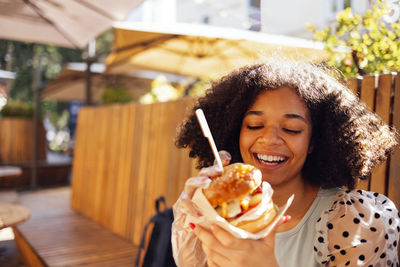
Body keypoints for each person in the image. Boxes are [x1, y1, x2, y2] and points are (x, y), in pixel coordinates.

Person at [171, 60, 400, 267]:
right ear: (235, 133)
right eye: (254, 125)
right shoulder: (217, 215)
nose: (270, 139)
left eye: (291, 129)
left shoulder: (355, 220)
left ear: (314, 142)